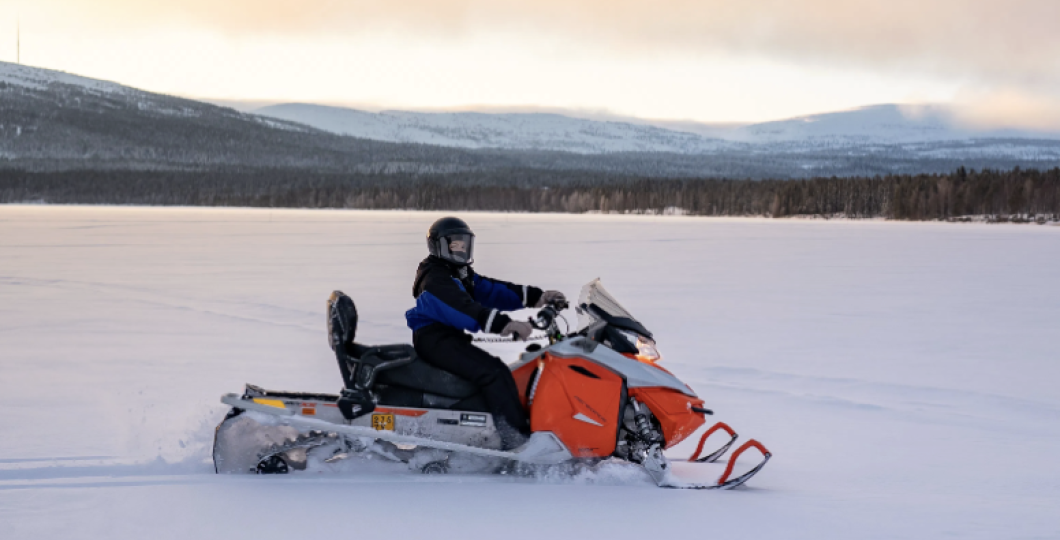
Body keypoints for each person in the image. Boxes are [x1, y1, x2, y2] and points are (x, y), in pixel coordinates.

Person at [405, 217, 565, 449]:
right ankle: (516, 441)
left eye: (464, 244)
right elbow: (463, 309)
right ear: (439, 246)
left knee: (508, 370)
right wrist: (505, 324)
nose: (461, 249)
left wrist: (537, 297)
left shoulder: (456, 271)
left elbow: (491, 290)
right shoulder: (435, 278)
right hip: (435, 341)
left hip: (446, 338)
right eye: (454, 244)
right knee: (494, 373)